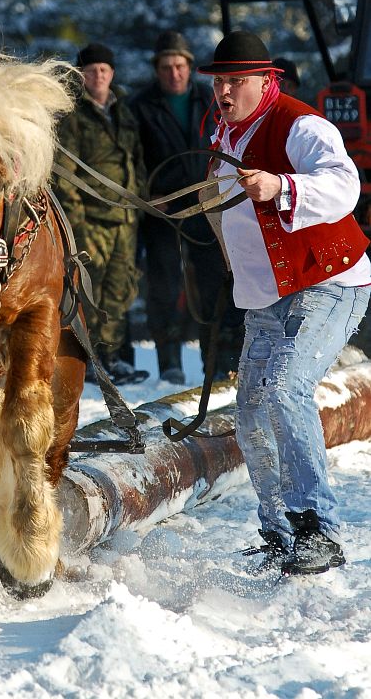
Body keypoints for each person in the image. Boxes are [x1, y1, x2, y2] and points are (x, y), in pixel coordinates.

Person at [199, 30, 371, 575]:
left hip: (330, 281)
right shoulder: (221, 131)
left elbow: (347, 185)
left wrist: (284, 187)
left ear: (265, 81)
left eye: (236, 81)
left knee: (284, 389)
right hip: (269, 295)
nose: (224, 91)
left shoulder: (300, 124)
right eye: (219, 81)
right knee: (251, 408)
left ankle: (317, 527)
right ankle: (278, 530)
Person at [130, 31, 244, 383]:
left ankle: (216, 360)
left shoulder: (208, 100)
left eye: (179, 65)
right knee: (165, 284)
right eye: (166, 67)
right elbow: (131, 157)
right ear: (157, 69)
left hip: (205, 205)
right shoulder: (139, 106)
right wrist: (146, 194)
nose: (173, 73)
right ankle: (170, 362)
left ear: (189, 67)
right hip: (163, 207)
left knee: (213, 282)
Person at [54, 43, 148, 384]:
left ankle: (111, 355)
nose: (99, 76)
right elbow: (63, 170)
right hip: (91, 220)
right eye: (92, 70)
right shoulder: (73, 115)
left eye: (104, 70)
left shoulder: (123, 110)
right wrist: (76, 218)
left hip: (124, 218)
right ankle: (89, 357)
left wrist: (141, 198)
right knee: (88, 292)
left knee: (120, 290)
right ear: (81, 75)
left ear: (112, 74)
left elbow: (134, 158)